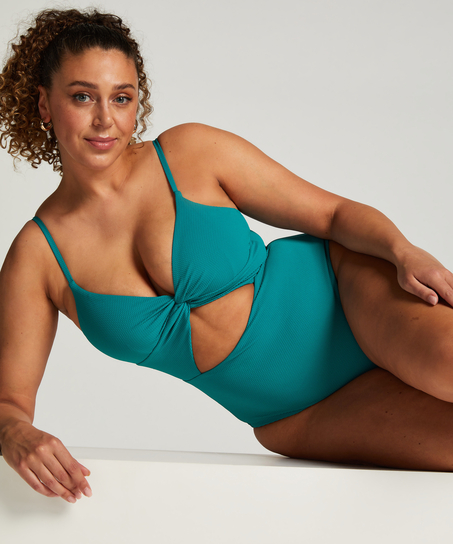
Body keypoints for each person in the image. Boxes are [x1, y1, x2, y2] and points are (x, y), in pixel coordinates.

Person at [1, 7, 453, 504]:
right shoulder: (37, 257)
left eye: (122, 97)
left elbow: (332, 214)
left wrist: (403, 250)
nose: (105, 118)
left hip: (346, 298)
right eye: (83, 96)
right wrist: (14, 433)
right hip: (297, 416)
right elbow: (9, 401)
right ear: (44, 104)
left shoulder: (190, 153)